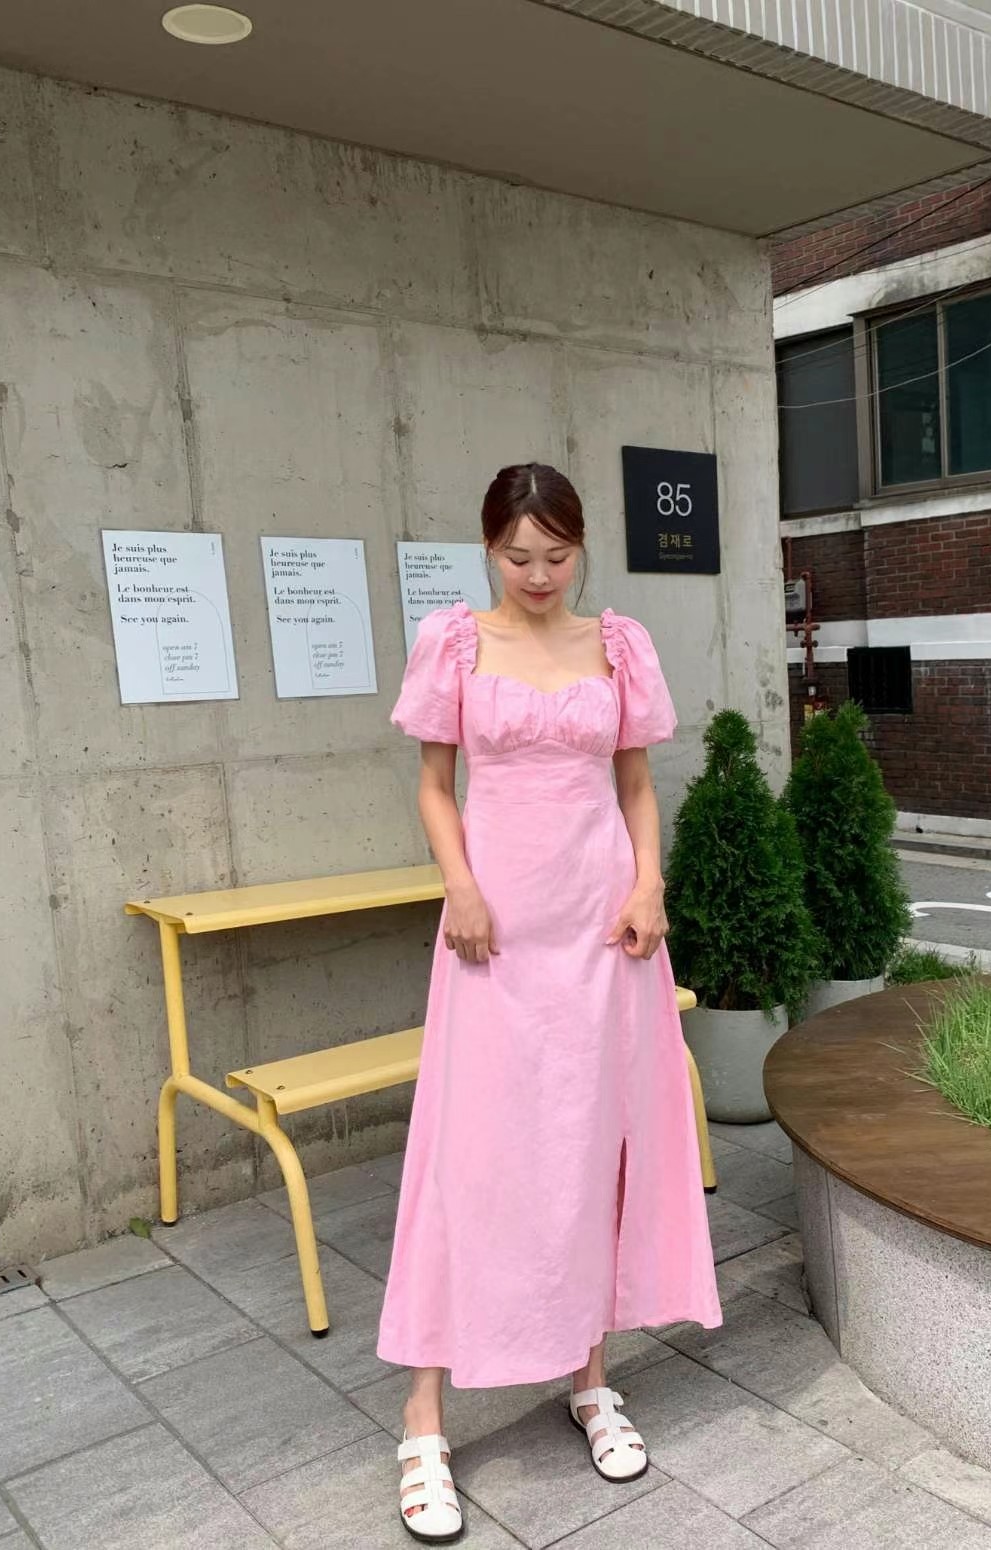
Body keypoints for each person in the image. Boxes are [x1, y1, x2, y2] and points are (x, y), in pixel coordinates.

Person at [380, 462, 721, 1542]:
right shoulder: (454, 642)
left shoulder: (616, 645)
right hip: (494, 929)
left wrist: (650, 883)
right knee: (470, 1152)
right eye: (517, 555)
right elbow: (435, 784)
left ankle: (590, 1374)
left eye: (557, 555)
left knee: (589, 1144)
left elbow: (636, 785)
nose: (537, 574)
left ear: (581, 548)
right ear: (488, 548)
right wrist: (461, 887)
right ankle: (424, 1415)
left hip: (602, 926)